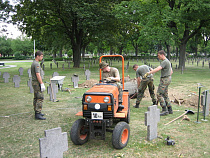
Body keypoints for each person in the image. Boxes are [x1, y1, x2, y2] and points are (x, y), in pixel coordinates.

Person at [144, 50, 173, 116]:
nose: (158, 56)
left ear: (162, 55)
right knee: (165, 94)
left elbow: (158, 69)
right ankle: (170, 109)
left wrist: (149, 73)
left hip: (164, 79)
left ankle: (164, 110)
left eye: (158, 55)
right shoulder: (168, 61)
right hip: (168, 78)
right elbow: (171, 71)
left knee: (159, 94)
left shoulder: (165, 62)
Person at [31, 51, 46, 120]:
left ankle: (37, 112)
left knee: (36, 97)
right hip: (37, 83)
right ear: (38, 56)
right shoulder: (36, 64)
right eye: (41, 56)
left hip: (35, 83)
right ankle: (37, 113)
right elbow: (38, 74)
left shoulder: (34, 63)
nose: (42, 57)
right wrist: (41, 83)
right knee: (40, 98)